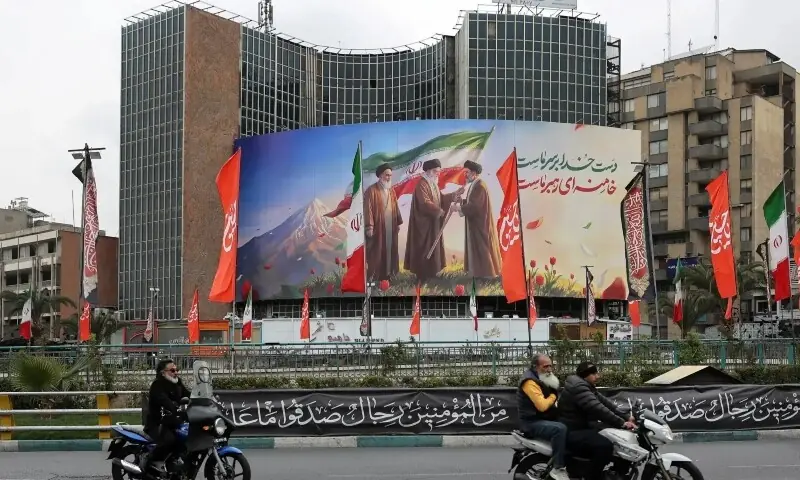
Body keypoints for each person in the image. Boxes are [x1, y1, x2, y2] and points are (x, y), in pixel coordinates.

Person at [558, 362, 636, 480]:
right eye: (594, 374)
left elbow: (605, 403)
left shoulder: (585, 386)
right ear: (585, 375)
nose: (597, 376)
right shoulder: (579, 388)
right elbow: (598, 409)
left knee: (616, 436)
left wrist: (626, 417)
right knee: (605, 446)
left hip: (583, 425)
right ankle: (592, 477)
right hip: (573, 429)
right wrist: (622, 423)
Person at [403, 159, 464, 282]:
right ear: (429, 171)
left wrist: (454, 195)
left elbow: (441, 199)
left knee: (433, 247)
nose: (438, 174)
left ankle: (431, 273)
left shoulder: (433, 184)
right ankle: (422, 276)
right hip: (423, 225)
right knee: (423, 247)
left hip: (433, 223)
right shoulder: (422, 184)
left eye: (438, 172)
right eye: (436, 171)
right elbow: (424, 202)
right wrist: (438, 211)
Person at [517, 354, 569, 480]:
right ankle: (558, 468)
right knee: (560, 429)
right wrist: (553, 396)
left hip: (542, 418)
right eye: (546, 366)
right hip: (531, 422)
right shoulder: (529, 382)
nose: (549, 369)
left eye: (551, 366)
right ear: (536, 367)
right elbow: (542, 406)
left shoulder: (540, 378)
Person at [453, 160, 502, 278]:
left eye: (467, 172)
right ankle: (478, 274)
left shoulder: (479, 185)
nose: (465, 175)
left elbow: (475, 206)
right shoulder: (475, 184)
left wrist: (458, 208)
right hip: (476, 222)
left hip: (480, 224)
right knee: (478, 248)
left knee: (482, 248)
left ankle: (487, 275)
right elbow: (471, 202)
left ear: (474, 173)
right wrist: (462, 202)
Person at [143, 359, 191, 473]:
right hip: (158, 423)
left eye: (177, 370)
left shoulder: (177, 382)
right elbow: (163, 400)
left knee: (186, 436)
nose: (176, 372)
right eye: (172, 370)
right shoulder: (157, 384)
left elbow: (188, 394)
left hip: (173, 421)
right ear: (163, 372)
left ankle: (175, 463)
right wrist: (173, 406)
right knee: (169, 440)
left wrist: (200, 399)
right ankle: (150, 462)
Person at [364, 163, 403, 281]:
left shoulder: (391, 191)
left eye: (390, 175)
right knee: (377, 251)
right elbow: (368, 209)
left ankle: (389, 274)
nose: (389, 178)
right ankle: (375, 277)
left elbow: (395, 207)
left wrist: (397, 223)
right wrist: (369, 226)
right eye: (387, 175)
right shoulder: (371, 190)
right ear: (380, 176)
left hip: (390, 226)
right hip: (378, 227)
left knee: (390, 249)